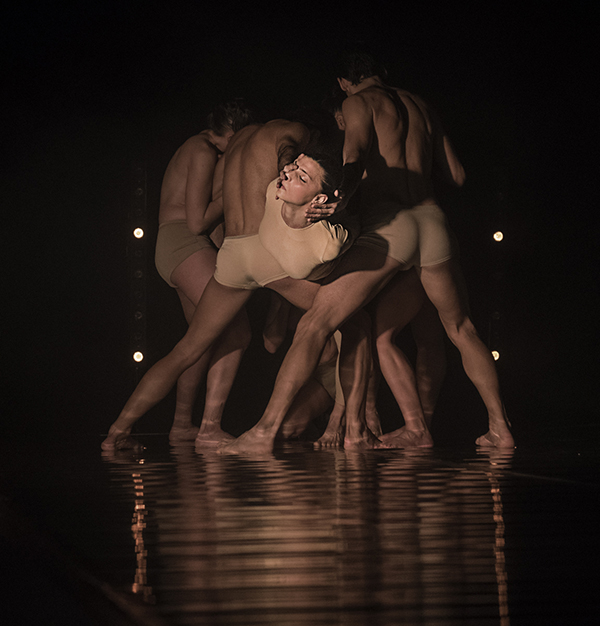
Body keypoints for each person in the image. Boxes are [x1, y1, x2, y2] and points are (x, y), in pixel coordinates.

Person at [219, 52, 514, 454]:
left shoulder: (358, 103)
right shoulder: (422, 106)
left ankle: (263, 431)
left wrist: (336, 203)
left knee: (315, 323)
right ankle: (498, 427)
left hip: (393, 225)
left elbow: (353, 158)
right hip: (434, 222)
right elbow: (458, 175)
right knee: (458, 330)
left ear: (344, 82)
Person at [102, 120, 371, 451]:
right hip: (264, 252)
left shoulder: (237, 142)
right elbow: (288, 153)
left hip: (231, 253)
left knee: (187, 348)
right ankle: (351, 426)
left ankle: (117, 431)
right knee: (350, 319)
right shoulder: (294, 133)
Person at [150, 100, 253, 447]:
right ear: (231, 133)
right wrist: (233, 191)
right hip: (184, 242)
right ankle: (209, 427)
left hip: (177, 245)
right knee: (236, 330)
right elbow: (197, 221)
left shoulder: (198, 148)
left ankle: (182, 424)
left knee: (199, 342)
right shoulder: (202, 149)